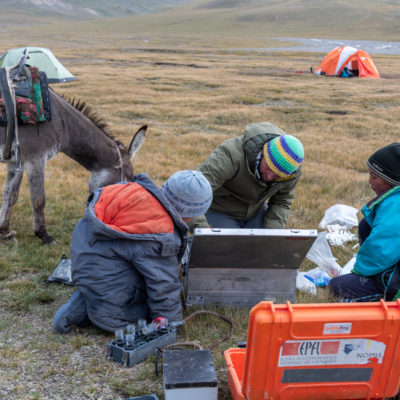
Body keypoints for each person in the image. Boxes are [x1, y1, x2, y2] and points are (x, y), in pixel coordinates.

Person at [53, 170, 212, 333]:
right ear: (189, 213)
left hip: (86, 261)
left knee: (128, 272)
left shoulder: (132, 190)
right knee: (141, 316)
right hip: (106, 279)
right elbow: (163, 285)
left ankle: (91, 292)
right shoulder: (161, 233)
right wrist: (170, 324)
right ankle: (85, 308)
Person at [188, 122, 304, 230]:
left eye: (278, 176)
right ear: (263, 153)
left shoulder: (291, 172)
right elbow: (193, 192)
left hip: (255, 213)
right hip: (219, 210)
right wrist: (203, 229)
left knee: (262, 250)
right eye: (268, 168)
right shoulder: (230, 155)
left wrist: (272, 235)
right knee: (228, 249)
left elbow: (282, 201)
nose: (269, 177)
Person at [329, 143, 400, 302]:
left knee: (336, 286)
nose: (370, 182)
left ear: (392, 179)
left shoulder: (396, 205)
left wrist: (359, 271)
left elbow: (381, 249)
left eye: (374, 177)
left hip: (396, 283)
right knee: (365, 225)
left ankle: (385, 296)